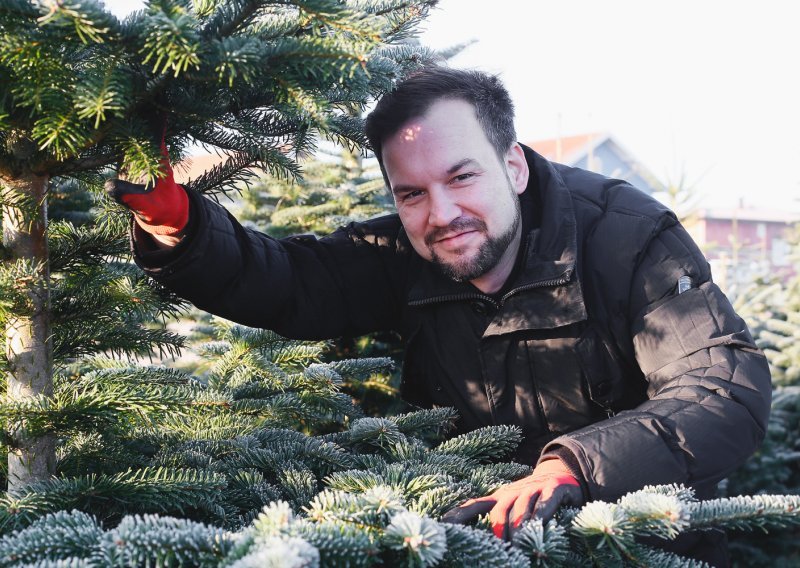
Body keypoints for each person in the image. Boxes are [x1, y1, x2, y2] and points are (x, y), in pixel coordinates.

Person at [107, 67, 771, 565]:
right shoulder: (405, 249)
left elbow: (722, 390)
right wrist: (177, 224)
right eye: (412, 194)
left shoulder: (629, 239)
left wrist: (573, 466)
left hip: (644, 542)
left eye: (462, 178)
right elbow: (292, 282)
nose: (441, 215)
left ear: (512, 165)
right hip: (471, 540)